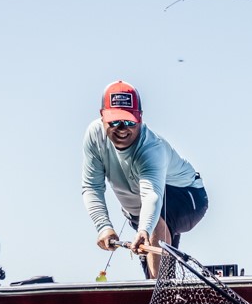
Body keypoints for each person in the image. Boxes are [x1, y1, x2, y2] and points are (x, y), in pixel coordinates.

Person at [82, 81, 208, 279]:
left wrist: (144, 229)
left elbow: (151, 197)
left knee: (153, 220)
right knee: (151, 268)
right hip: (139, 211)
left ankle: (160, 297)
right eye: (114, 122)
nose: (122, 129)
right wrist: (104, 227)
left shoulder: (151, 149)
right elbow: (92, 187)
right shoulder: (94, 136)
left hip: (188, 196)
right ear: (102, 116)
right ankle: (164, 292)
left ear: (140, 118)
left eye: (130, 122)